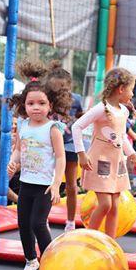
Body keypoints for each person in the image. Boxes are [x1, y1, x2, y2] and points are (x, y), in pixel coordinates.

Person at [7, 69, 66, 270]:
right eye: (31, 104)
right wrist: (13, 163)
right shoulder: (23, 126)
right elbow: (18, 150)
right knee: (23, 223)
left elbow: (60, 158)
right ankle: (31, 260)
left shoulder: (53, 129)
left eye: (41, 103)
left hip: (45, 185)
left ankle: (48, 263)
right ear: (25, 106)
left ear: (50, 105)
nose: (36, 108)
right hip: (26, 183)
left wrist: (57, 183)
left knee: (38, 223)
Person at [72, 68, 136, 238]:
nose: (132, 94)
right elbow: (77, 127)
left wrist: (133, 156)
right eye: (131, 89)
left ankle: (111, 242)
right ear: (121, 89)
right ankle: (89, 237)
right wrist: (81, 154)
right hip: (100, 162)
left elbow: (121, 137)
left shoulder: (124, 111)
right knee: (105, 204)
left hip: (116, 162)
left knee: (114, 205)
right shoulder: (102, 109)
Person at [44, 60, 81, 232]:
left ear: (69, 87)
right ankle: (43, 217)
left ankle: (71, 222)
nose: (60, 92)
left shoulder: (76, 100)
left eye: (63, 89)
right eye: (56, 89)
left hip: (70, 144)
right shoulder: (47, 100)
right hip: (51, 145)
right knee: (49, 182)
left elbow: (81, 118)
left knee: (71, 184)